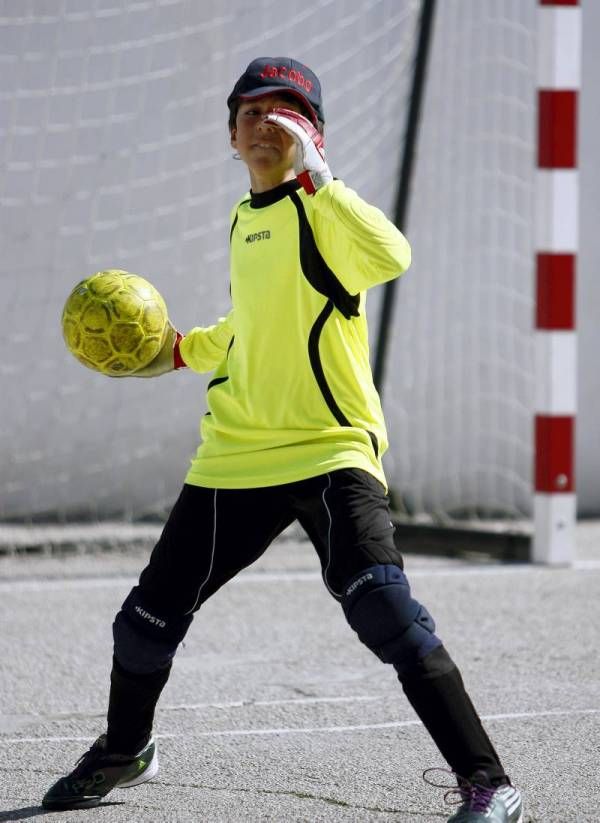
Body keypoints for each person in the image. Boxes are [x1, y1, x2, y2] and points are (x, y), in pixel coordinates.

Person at [42, 57, 523, 822]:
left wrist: (323, 179)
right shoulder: (244, 219)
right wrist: (177, 349)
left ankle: (490, 783)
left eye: (285, 111)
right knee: (142, 626)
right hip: (236, 454)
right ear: (232, 135)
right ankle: (124, 749)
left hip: (330, 448)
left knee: (387, 615)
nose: (265, 123)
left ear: (312, 133)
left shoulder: (322, 211)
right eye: (250, 112)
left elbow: (391, 255)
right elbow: (252, 327)